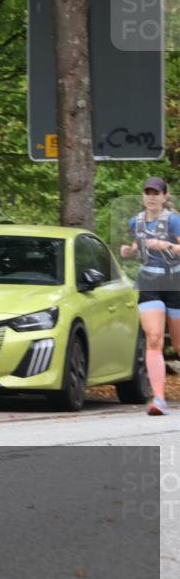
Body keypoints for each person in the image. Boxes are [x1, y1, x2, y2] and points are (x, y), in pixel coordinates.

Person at [120, 176, 180, 416]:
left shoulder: (174, 220)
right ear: (143, 196)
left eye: (156, 193)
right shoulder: (136, 221)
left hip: (174, 281)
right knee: (154, 338)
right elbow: (137, 246)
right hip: (149, 281)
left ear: (164, 196)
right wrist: (129, 251)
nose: (151, 197)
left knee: (177, 344)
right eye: (148, 192)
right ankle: (158, 399)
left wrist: (166, 246)